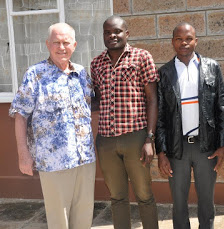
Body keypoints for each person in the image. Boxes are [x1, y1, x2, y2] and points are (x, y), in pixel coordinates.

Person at [9, 23, 96, 229]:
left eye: (66, 42)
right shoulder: (35, 74)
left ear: (74, 45)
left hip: (84, 158)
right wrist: (23, 154)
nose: (61, 47)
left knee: (84, 216)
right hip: (53, 162)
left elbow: (88, 106)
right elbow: (20, 115)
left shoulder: (81, 74)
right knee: (59, 220)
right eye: (56, 42)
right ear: (48, 45)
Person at [156, 22, 224, 229]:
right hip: (176, 148)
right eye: (179, 39)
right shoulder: (164, 73)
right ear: (173, 42)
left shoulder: (211, 67)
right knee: (178, 201)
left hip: (205, 147)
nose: (184, 43)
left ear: (196, 41)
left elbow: (222, 108)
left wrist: (223, 145)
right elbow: (160, 115)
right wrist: (161, 152)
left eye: (188, 38)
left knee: (206, 200)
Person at [90, 16, 159, 229]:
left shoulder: (141, 57)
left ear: (126, 34)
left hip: (135, 138)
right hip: (106, 141)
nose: (112, 36)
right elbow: (97, 100)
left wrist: (149, 138)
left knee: (144, 195)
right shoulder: (96, 63)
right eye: (107, 32)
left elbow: (153, 99)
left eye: (117, 31)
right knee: (117, 197)